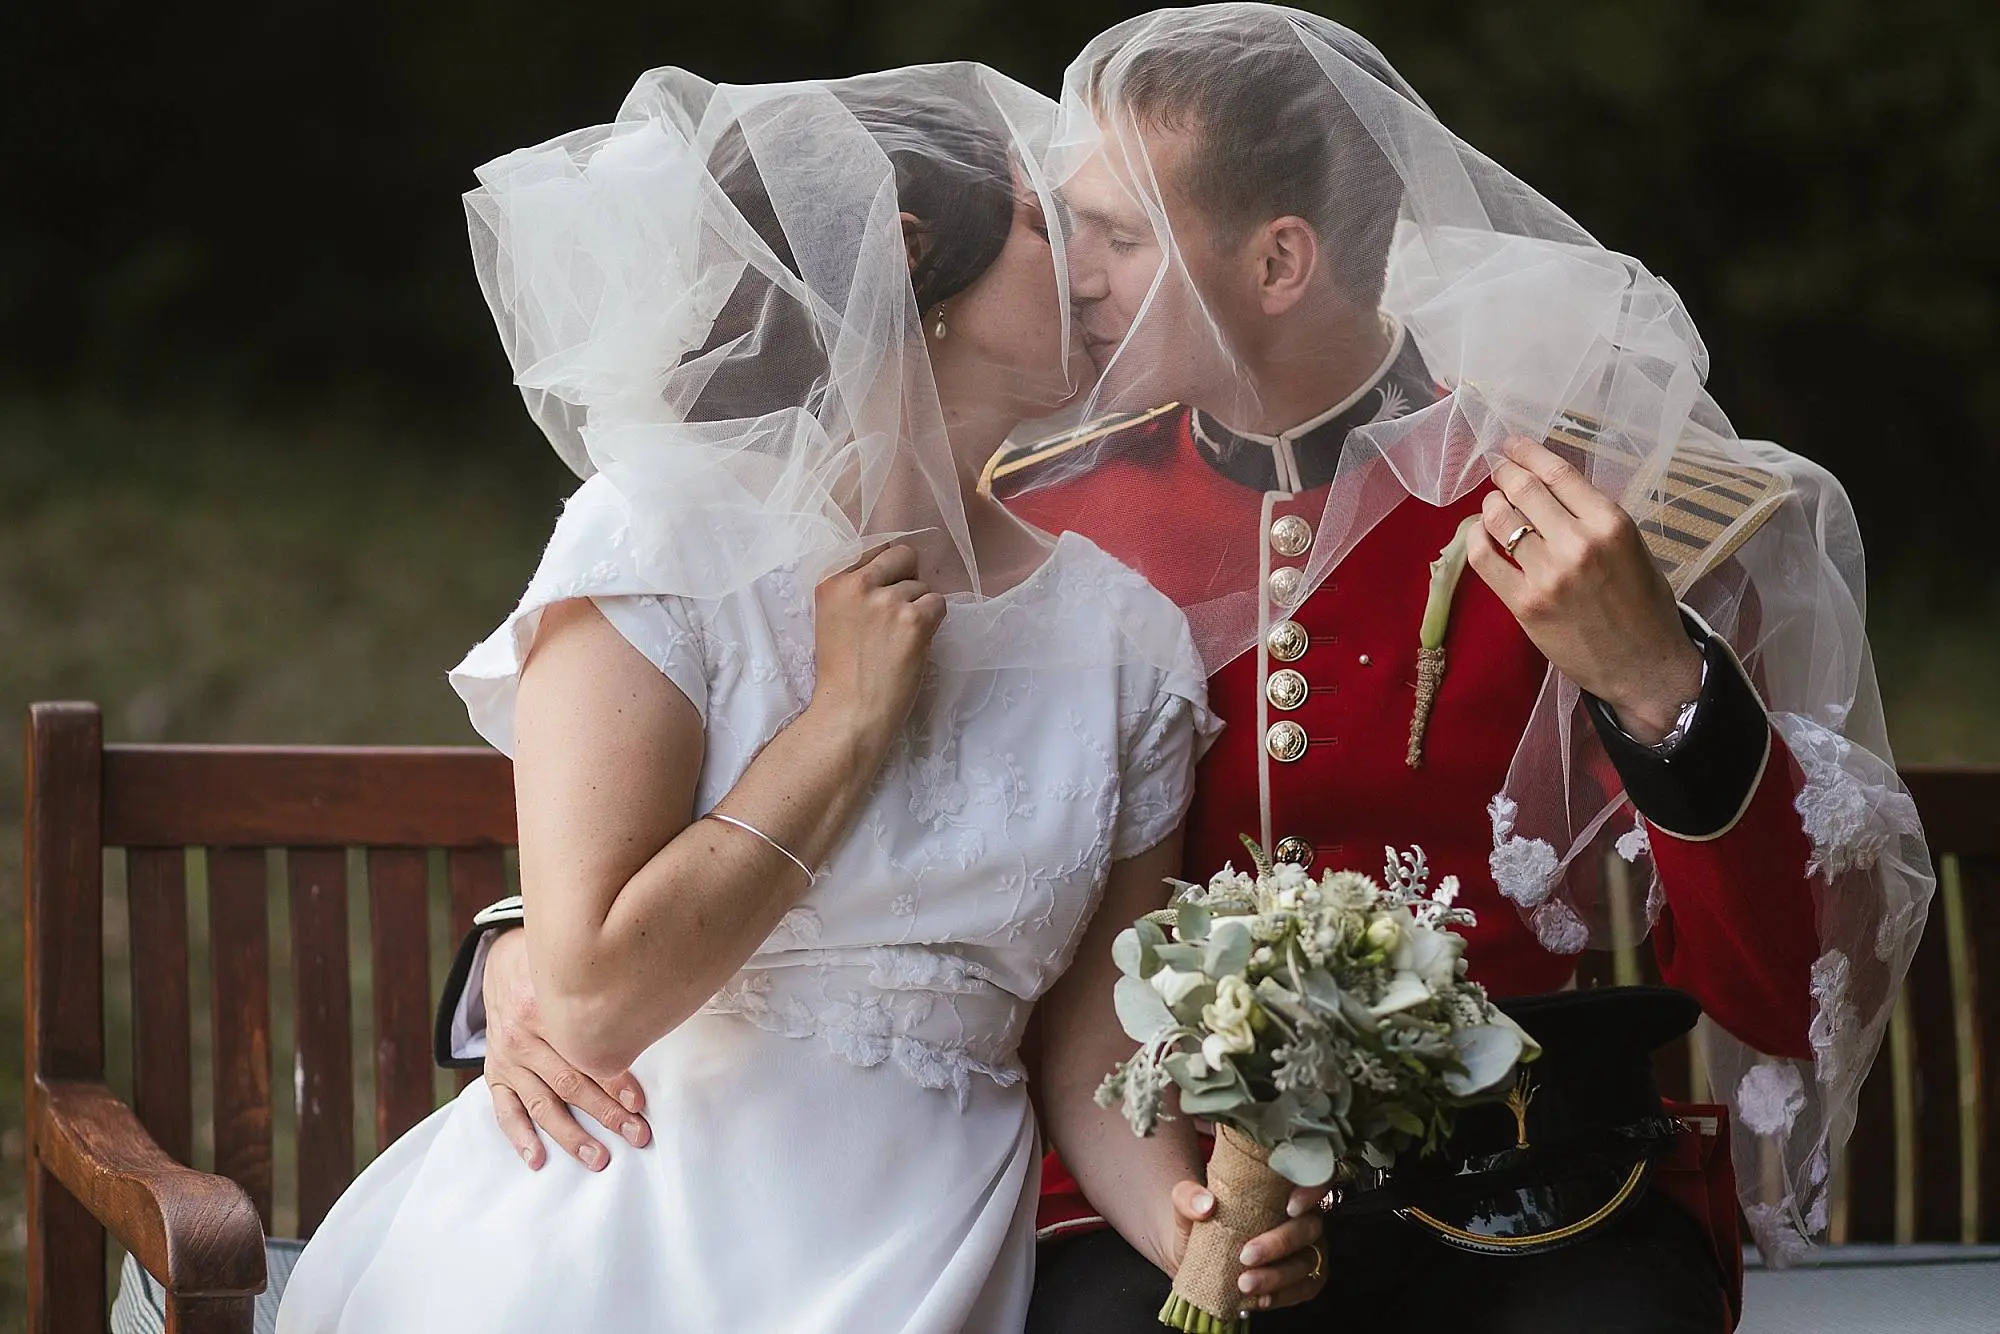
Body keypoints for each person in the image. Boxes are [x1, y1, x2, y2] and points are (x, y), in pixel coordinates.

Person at [449, 9, 1931, 1330]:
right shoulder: (1003, 506)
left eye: (1120, 233)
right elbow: (722, 707)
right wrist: (523, 945)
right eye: (1063, 229)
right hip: (1128, 1192)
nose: (1077, 277)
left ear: (1279, 257)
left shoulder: (1575, 505)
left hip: (1527, 1194)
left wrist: (1662, 685)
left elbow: (1791, 988)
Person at [277, 62, 1328, 1334]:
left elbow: (1084, 1053)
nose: (1103, 271)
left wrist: (1178, 1219)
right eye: (1053, 227)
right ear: (902, 254)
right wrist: (841, 724)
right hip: (633, 1209)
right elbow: (598, 995)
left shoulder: (1128, 639)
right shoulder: (662, 535)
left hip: (929, 1248)